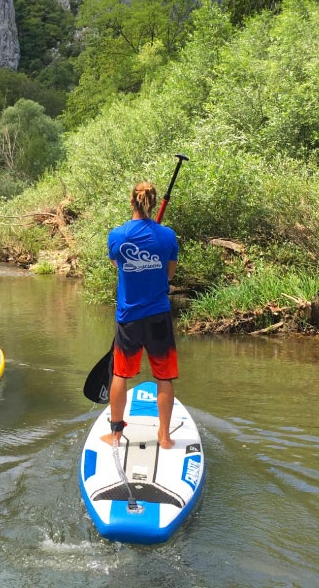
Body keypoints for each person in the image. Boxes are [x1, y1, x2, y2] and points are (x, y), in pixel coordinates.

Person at [102, 182, 179, 450]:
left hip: (129, 317)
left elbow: (117, 264)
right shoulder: (168, 236)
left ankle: (115, 435)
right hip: (158, 316)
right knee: (164, 377)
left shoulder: (117, 235)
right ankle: (165, 436)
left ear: (132, 202)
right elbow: (169, 275)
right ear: (153, 203)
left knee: (121, 374)